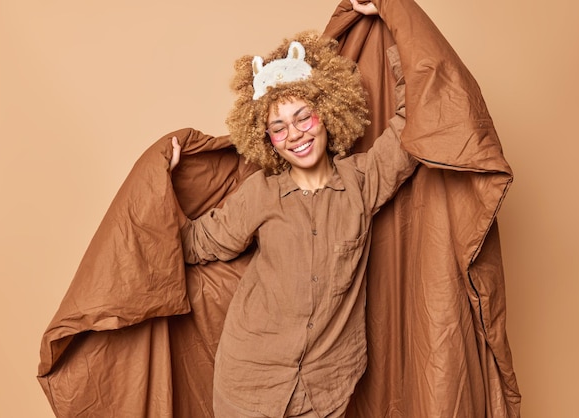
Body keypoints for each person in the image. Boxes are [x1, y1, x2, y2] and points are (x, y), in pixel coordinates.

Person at [169, 2, 418, 417]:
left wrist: (391, 17)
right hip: (249, 384)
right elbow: (193, 244)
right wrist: (166, 190)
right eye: (278, 127)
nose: (295, 134)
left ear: (328, 113)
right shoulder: (259, 195)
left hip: (328, 385)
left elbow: (415, 119)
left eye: (304, 117)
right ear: (266, 139)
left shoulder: (364, 180)